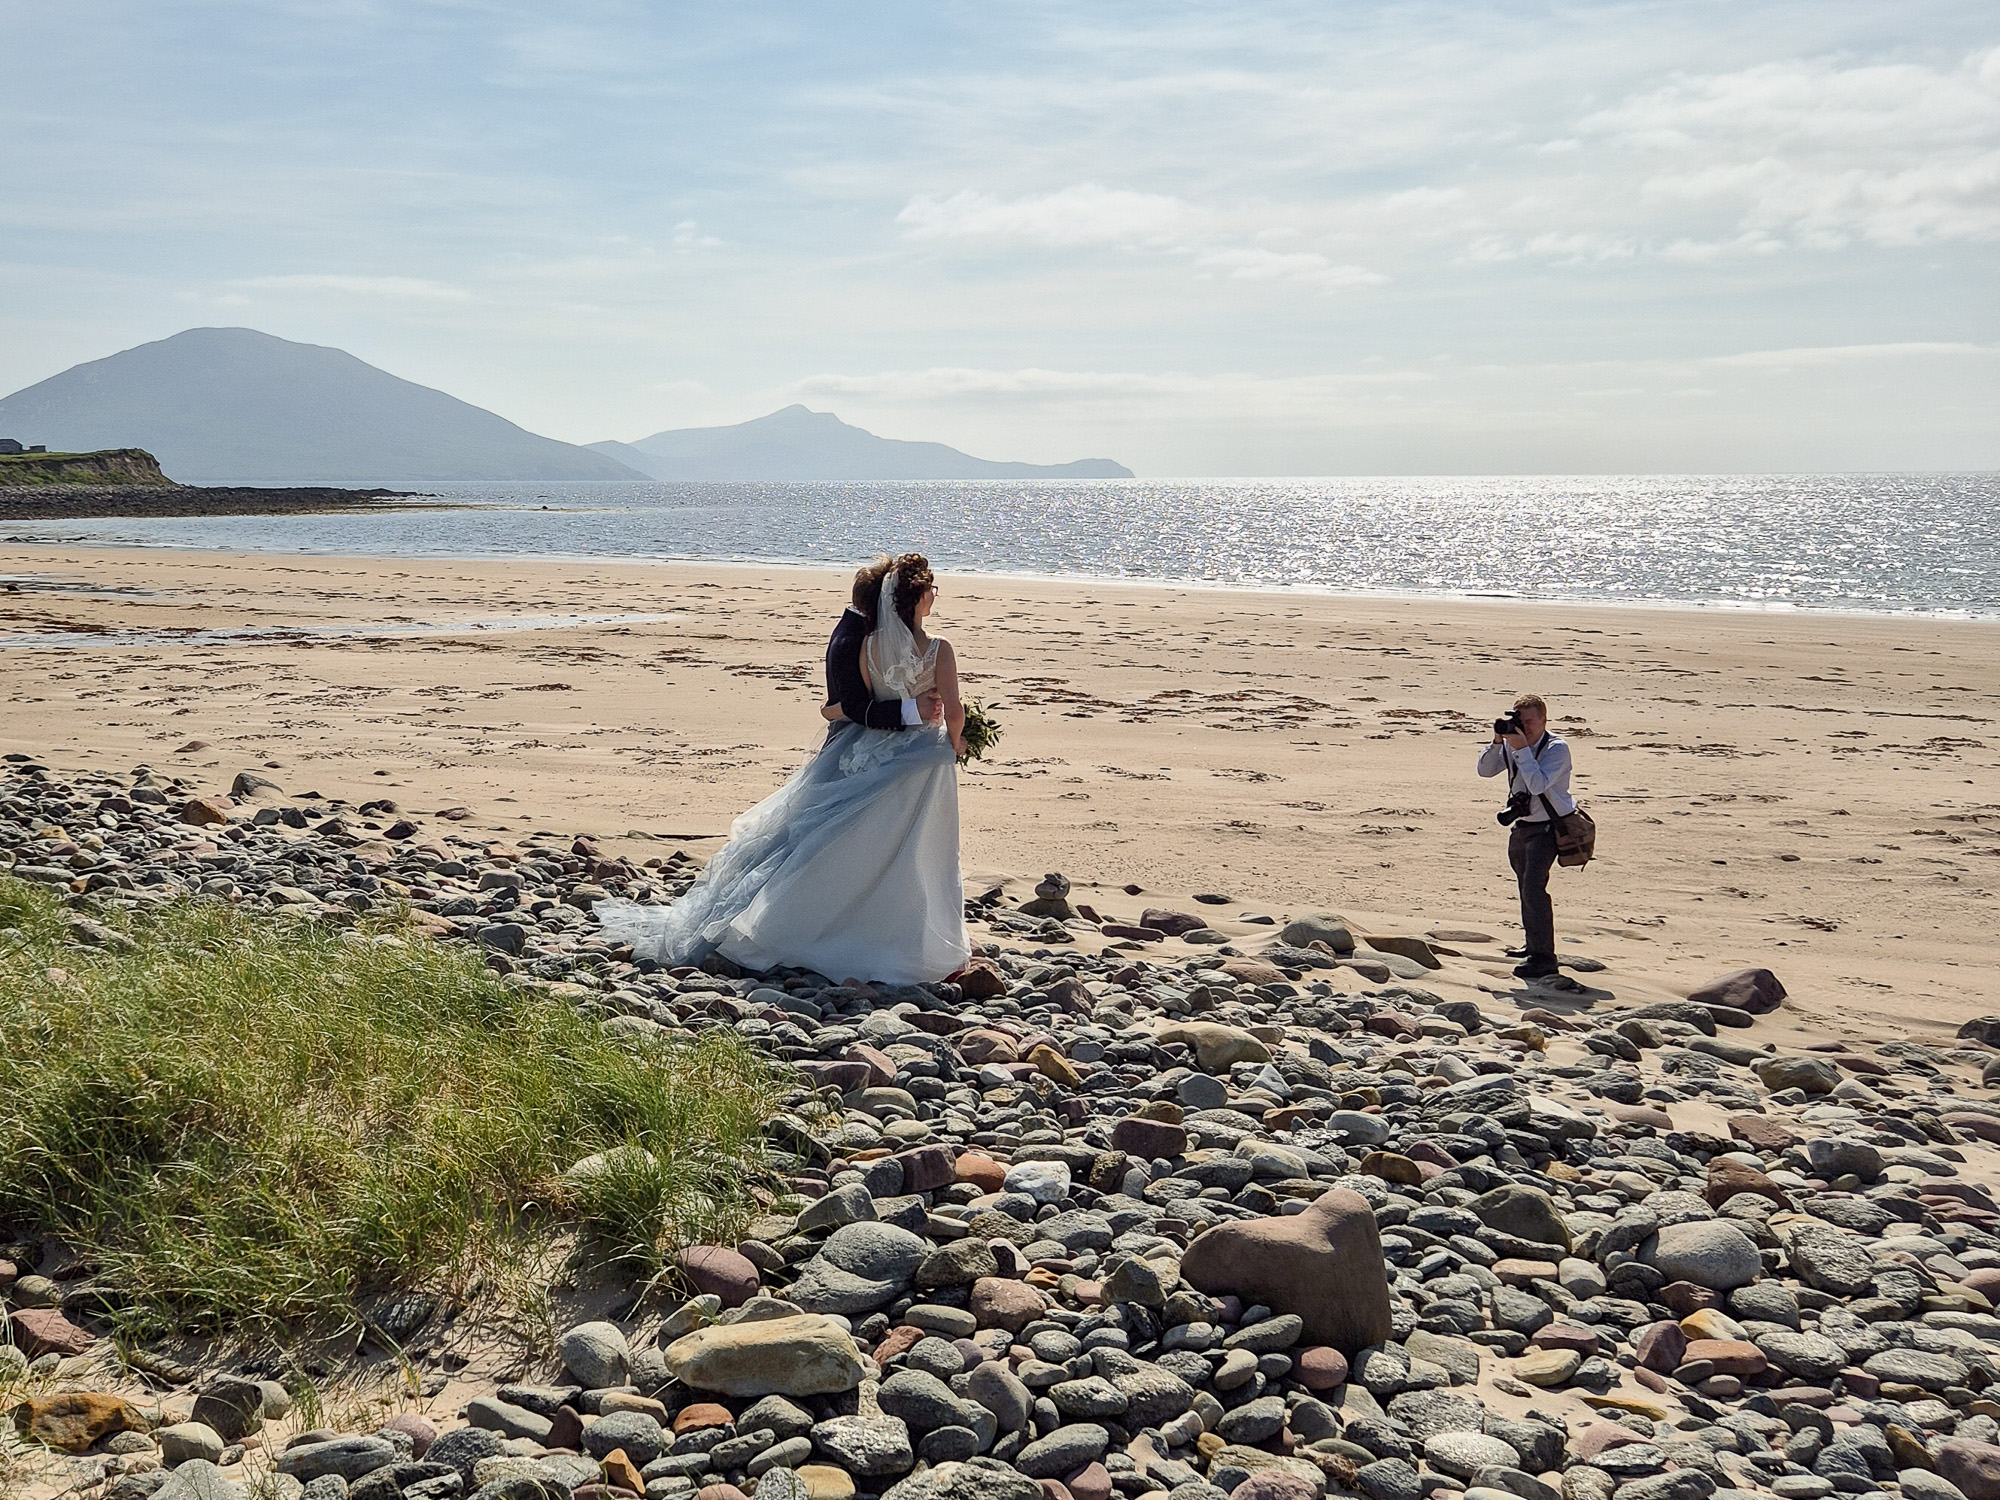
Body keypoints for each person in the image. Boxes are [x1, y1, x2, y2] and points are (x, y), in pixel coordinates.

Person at [597, 553, 971, 983]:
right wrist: (956, 741)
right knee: (919, 849)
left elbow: (851, 704)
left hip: (872, 751)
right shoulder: (935, 647)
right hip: (920, 756)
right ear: (918, 596)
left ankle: (861, 925)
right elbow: (943, 709)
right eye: (932, 590)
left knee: (872, 844)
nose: (935, 596)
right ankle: (905, 936)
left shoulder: (868, 645)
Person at [1476, 693, 1576, 982]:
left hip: (1548, 826)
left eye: (1530, 721)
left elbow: (1538, 784)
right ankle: (1533, 945)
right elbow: (1484, 771)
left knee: (1534, 887)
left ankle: (1544, 958)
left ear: (1544, 719)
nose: (1525, 727)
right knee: (1524, 886)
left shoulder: (1556, 748)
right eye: (1521, 721)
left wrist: (1521, 750)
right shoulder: (1512, 743)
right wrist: (1498, 742)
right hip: (1522, 825)